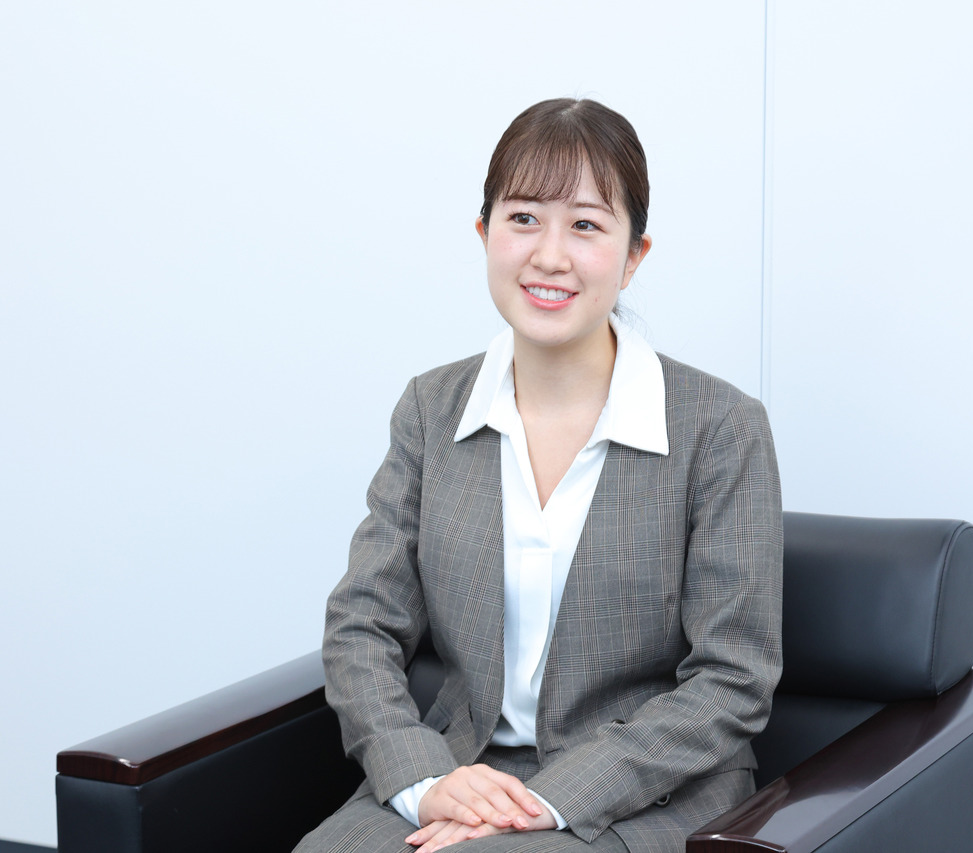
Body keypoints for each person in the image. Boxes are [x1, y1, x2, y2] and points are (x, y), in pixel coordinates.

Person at [294, 98, 782, 853]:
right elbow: (362, 625)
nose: (550, 255)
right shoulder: (431, 409)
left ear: (634, 256)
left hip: (642, 792)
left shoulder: (720, 428)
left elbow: (733, 679)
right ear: (484, 233)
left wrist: (547, 801)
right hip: (462, 771)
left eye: (586, 225)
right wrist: (426, 781)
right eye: (523, 218)